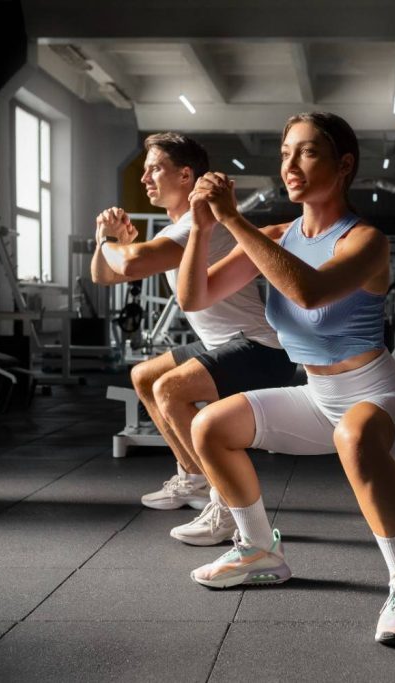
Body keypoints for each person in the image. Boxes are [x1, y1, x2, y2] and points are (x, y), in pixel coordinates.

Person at [179, 112, 395, 645]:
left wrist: (233, 220)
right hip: (319, 398)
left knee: (355, 435)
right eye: (285, 153)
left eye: (307, 152)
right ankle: (259, 551)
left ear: (344, 165)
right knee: (210, 427)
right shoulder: (275, 235)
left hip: (386, 397)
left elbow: (310, 292)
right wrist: (202, 228)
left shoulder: (366, 240)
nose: (290, 164)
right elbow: (194, 297)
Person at [91, 132, 295, 544]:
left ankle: (226, 505)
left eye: (155, 169)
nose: (145, 178)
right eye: (145, 170)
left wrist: (114, 241)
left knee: (170, 389)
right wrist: (105, 241)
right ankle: (193, 479)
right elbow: (104, 275)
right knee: (145, 376)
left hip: (260, 348)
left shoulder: (198, 225)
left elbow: (130, 263)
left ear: (186, 175)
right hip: (225, 343)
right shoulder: (179, 227)